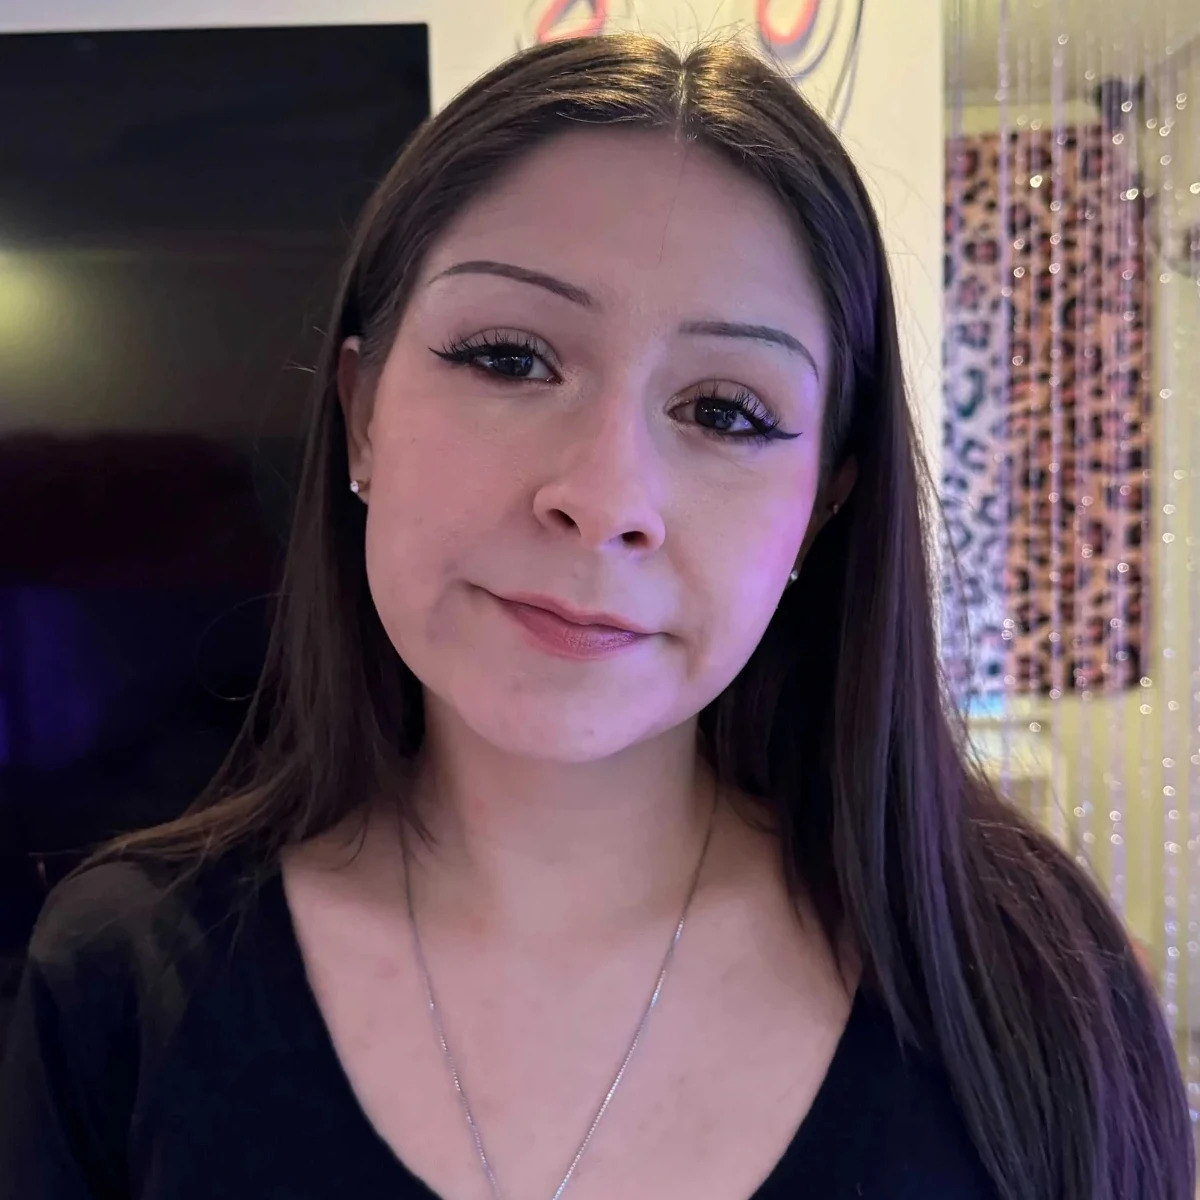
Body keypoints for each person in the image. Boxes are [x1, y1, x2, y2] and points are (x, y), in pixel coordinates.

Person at [0, 32, 1192, 1200]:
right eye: (511, 359)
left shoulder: (1031, 989)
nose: (606, 498)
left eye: (725, 412)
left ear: (822, 509)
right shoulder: (118, 985)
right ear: (361, 416)